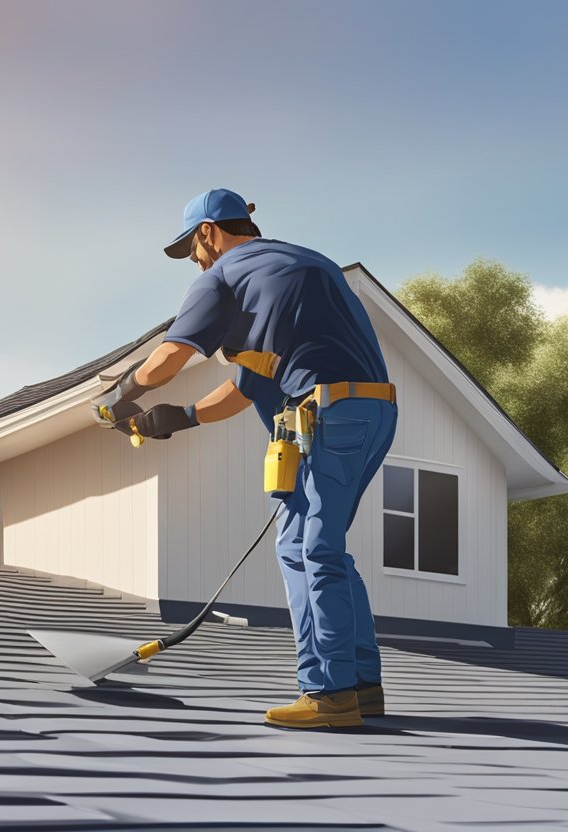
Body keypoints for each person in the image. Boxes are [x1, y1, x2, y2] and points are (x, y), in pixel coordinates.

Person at [93, 189, 397, 728]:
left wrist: (118, 396)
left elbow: (168, 357)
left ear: (209, 232)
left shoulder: (223, 276)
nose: (194, 258)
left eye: (192, 246)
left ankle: (328, 695)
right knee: (320, 547)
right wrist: (179, 417)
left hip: (328, 413)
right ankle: (361, 686)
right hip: (372, 414)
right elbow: (245, 387)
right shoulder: (298, 265)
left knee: (309, 549)